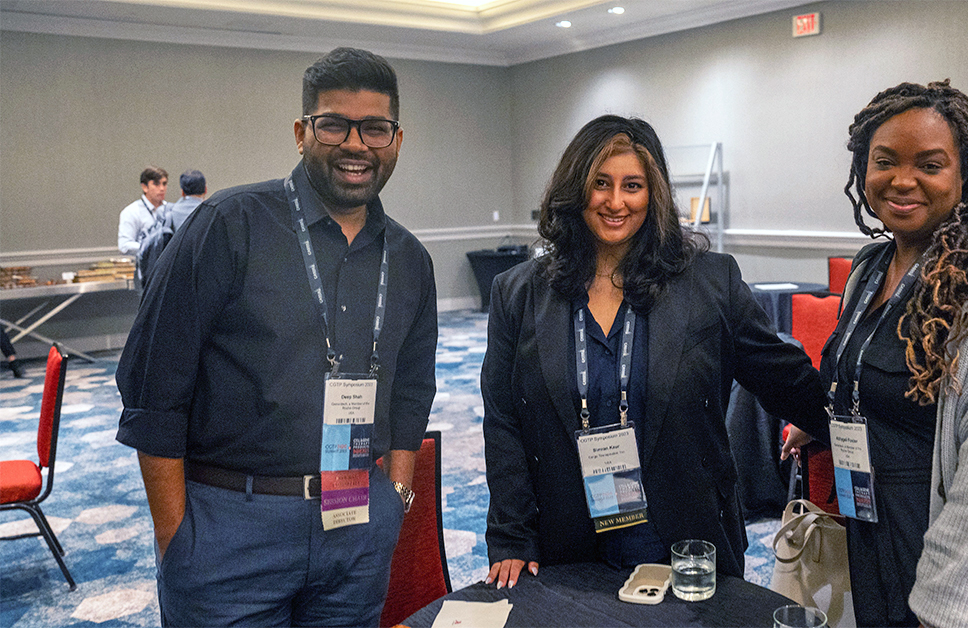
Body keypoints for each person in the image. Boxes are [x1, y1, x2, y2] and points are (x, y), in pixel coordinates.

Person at [116, 47, 437, 626]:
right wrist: (176, 539)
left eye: (375, 128)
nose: (356, 144)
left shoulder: (410, 260)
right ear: (301, 132)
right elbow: (152, 386)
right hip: (231, 531)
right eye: (334, 124)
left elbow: (413, 390)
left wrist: (396, 497)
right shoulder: (228, 226)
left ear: (396, 138)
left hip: (358, 523)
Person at [782, 80, 968, 627]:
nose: (903, 181)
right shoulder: (870, 268)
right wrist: (825, 419)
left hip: (943, 539)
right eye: (885, 162)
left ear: (964, 176)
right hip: (868, 517)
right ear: (863, 171)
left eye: (929, 164)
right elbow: (858, 372)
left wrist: (949, 612)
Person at [482, 114, 826, 588]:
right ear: (575, 187)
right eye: (600, 183)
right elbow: (503, 422)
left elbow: (779, 373)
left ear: (655, 193)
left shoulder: (711, 282)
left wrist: (823, 416)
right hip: (565, 539)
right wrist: (510, 535)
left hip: (687, 537)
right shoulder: (517, 294)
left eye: (633, 185)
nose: (616, 201)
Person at [117, 166, 169, 255]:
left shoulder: (170, 210)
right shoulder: (132, 212)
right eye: (156, 184)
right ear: (145, 187)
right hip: (143, 264)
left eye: (164, 184)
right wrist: (150, 247)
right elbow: (124, 245)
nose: (162, 188)